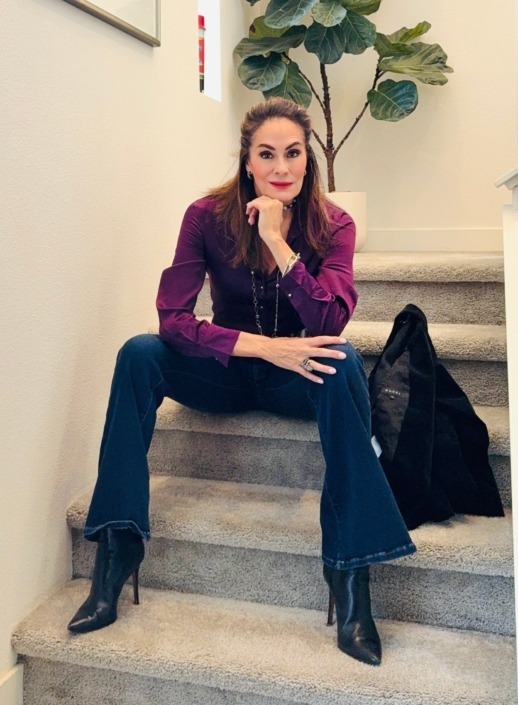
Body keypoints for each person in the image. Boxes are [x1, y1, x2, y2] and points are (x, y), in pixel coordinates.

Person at [67, 97, 416, 666]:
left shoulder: (334, 225)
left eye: (293, 154)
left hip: (294, 382)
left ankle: (349, 574)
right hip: (226, 373)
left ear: (308, 161)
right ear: (247, 161)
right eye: (266, 154)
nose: (281, 167)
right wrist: (266, 347)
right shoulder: (206, 216)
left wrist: (279, 242)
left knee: (343, 360)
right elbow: (173, 320)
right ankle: (117, 548)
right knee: (138, 354)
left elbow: (329, 321)